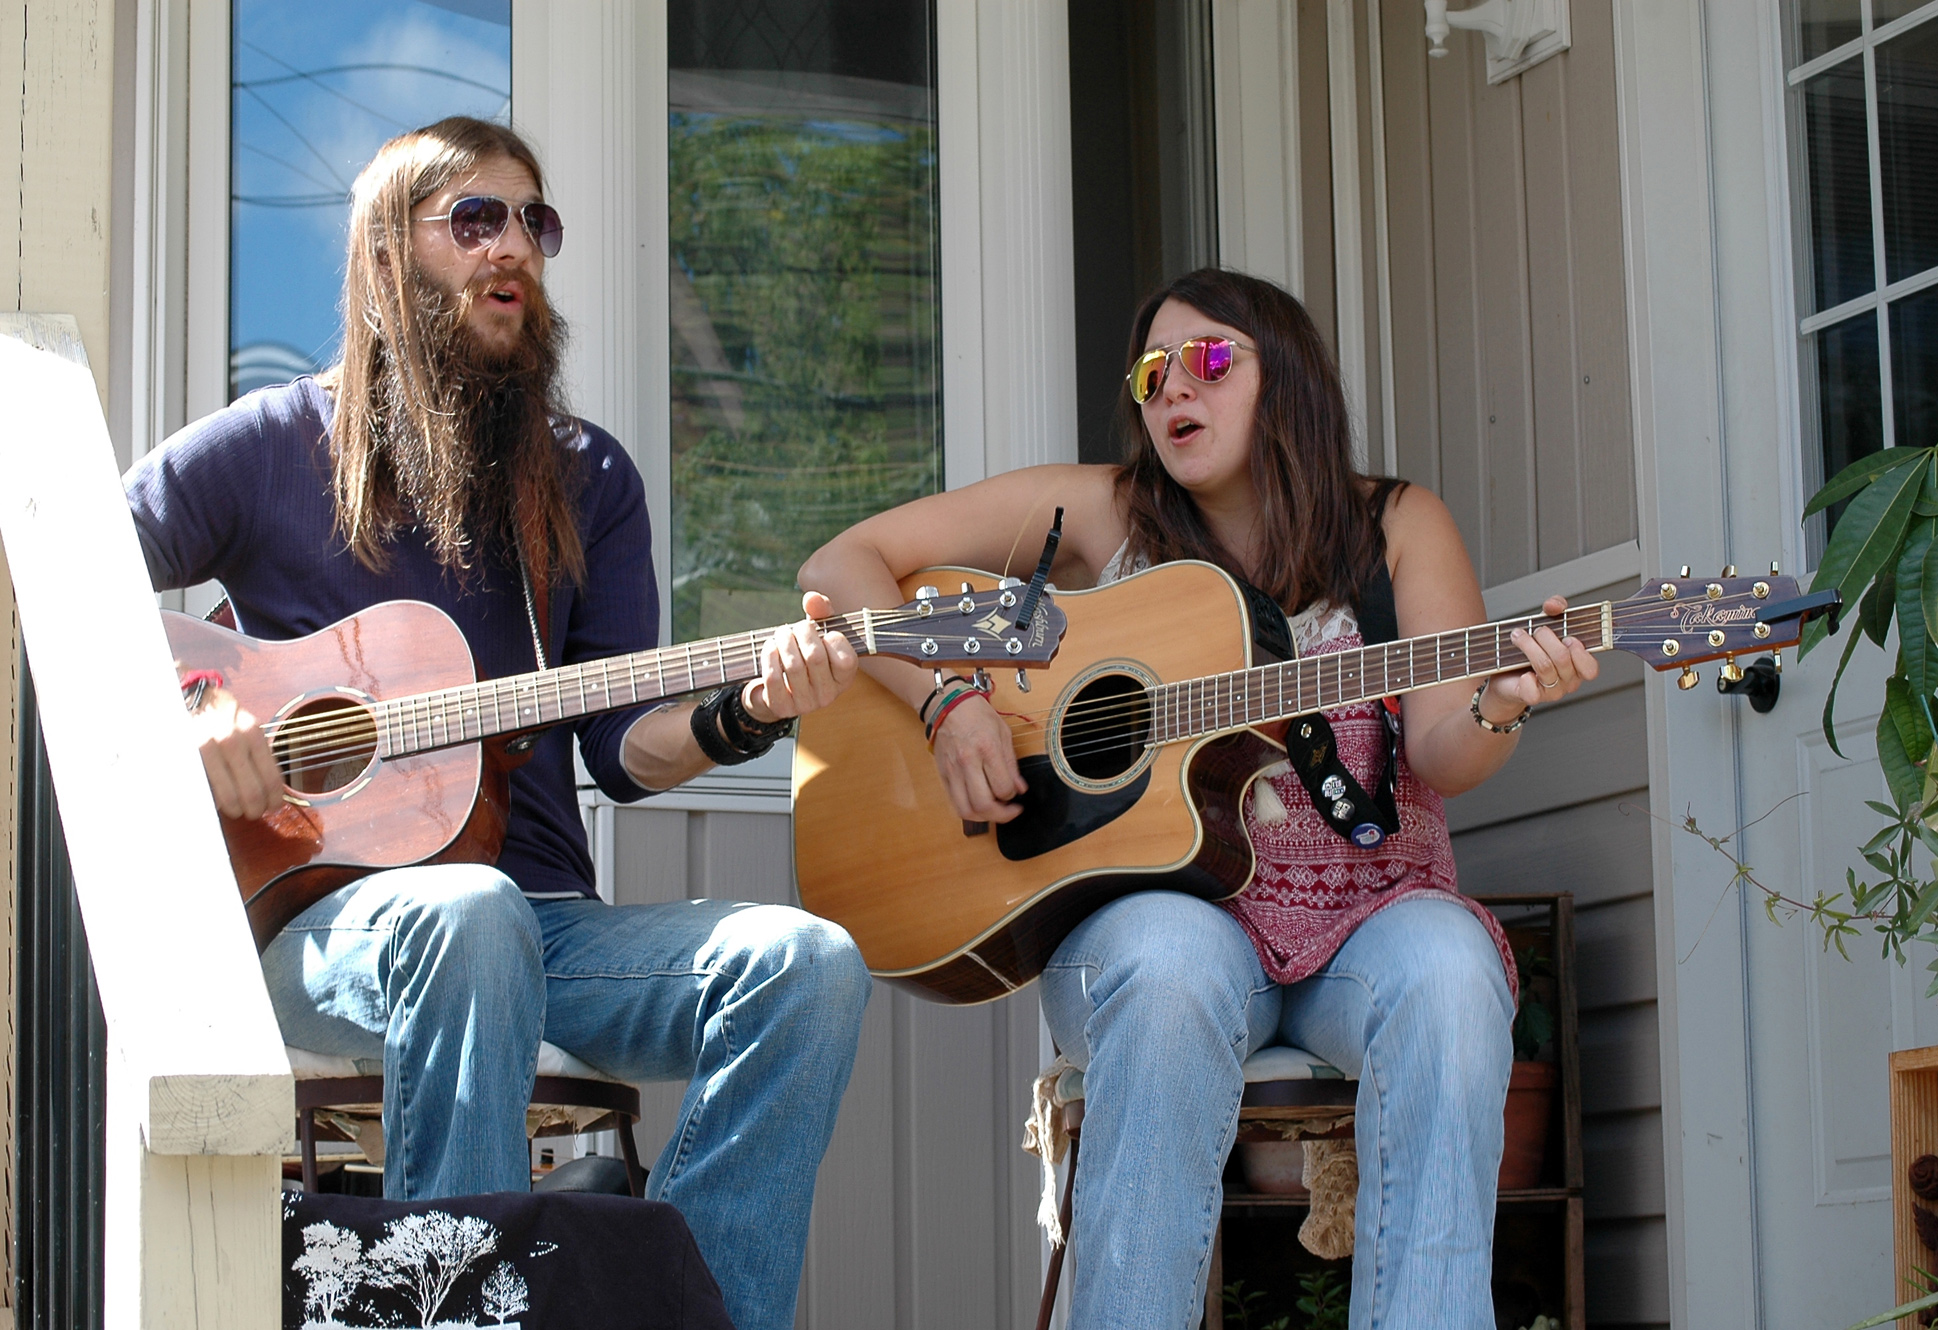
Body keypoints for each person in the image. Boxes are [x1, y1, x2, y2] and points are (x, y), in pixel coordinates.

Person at [126, 117, 869, 1330]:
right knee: (464, 917)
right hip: (315, 918)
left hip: (548, 925)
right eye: (474, 219)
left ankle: (697, 1313)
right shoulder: (271, 445)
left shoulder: (585, 478)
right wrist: (202, 711)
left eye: (534, 220)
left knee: (805, 966)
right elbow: (58, 566)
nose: (512, 246)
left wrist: (746, 712)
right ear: (382, 260)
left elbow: (625, 749)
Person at [800, 267, 1598, 1329]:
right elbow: (845, 562)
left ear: (1291, 378)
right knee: (1173, 964)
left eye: (1211, 359)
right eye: (1149, 372)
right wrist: (950, 702)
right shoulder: (1100, 510)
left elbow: (1445, 752)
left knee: (1451, 970)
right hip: (1168, 919)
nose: (1174, 387)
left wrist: (1499, 699)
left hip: (1367, 923)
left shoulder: (1392, 528)